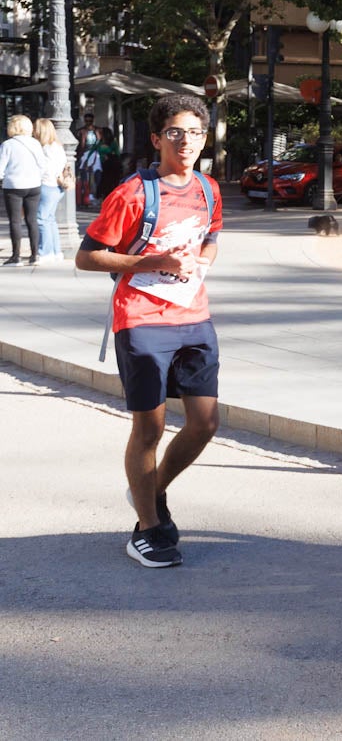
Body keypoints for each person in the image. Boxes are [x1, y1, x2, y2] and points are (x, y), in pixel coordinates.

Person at [76, 94, 223, 568]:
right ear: (158, 139)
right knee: (150, 427)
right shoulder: (133, 193)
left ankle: (150, 489)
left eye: (195, 132)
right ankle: (147, 527)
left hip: (194, 317)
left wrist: (199, 265)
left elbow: (211, 239)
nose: (186, 141)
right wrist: (153, 262)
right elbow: (87, 257)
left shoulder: (208, 188)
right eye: (175, 132)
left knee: (204, 423)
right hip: (141, 319)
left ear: (205, 138)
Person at [0, 114, 47, 266]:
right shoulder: (35, 143)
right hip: (33, 185)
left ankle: (16, 256)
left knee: (15, 221)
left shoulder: (7, 145)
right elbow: (42, 165)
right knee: (32, 220)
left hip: (13, 186)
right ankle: (34, 255)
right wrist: (36, 177)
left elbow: (1, 167)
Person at [34, 118, 68, 263]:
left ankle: (46, 252)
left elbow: (44, 169)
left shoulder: (45, 149)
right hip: (57, 186)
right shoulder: (57, 146)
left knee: (42, 219)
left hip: (47, 184)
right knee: (50, 219)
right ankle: (56, 251)